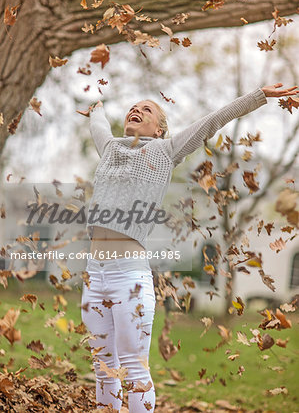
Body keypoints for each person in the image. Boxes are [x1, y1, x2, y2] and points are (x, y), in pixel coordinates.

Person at [81, 83, 298, 412]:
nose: (136, 110)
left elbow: (213, 120)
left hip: (128, 279)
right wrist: (96, 109)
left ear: (160, 128)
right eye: (133, 107)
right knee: (103, 370)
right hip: (93, 278)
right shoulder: (110, 148)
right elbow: (97, 125)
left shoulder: (164, 150)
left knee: (134, 368)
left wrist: (260, 95)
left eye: (147, 109)